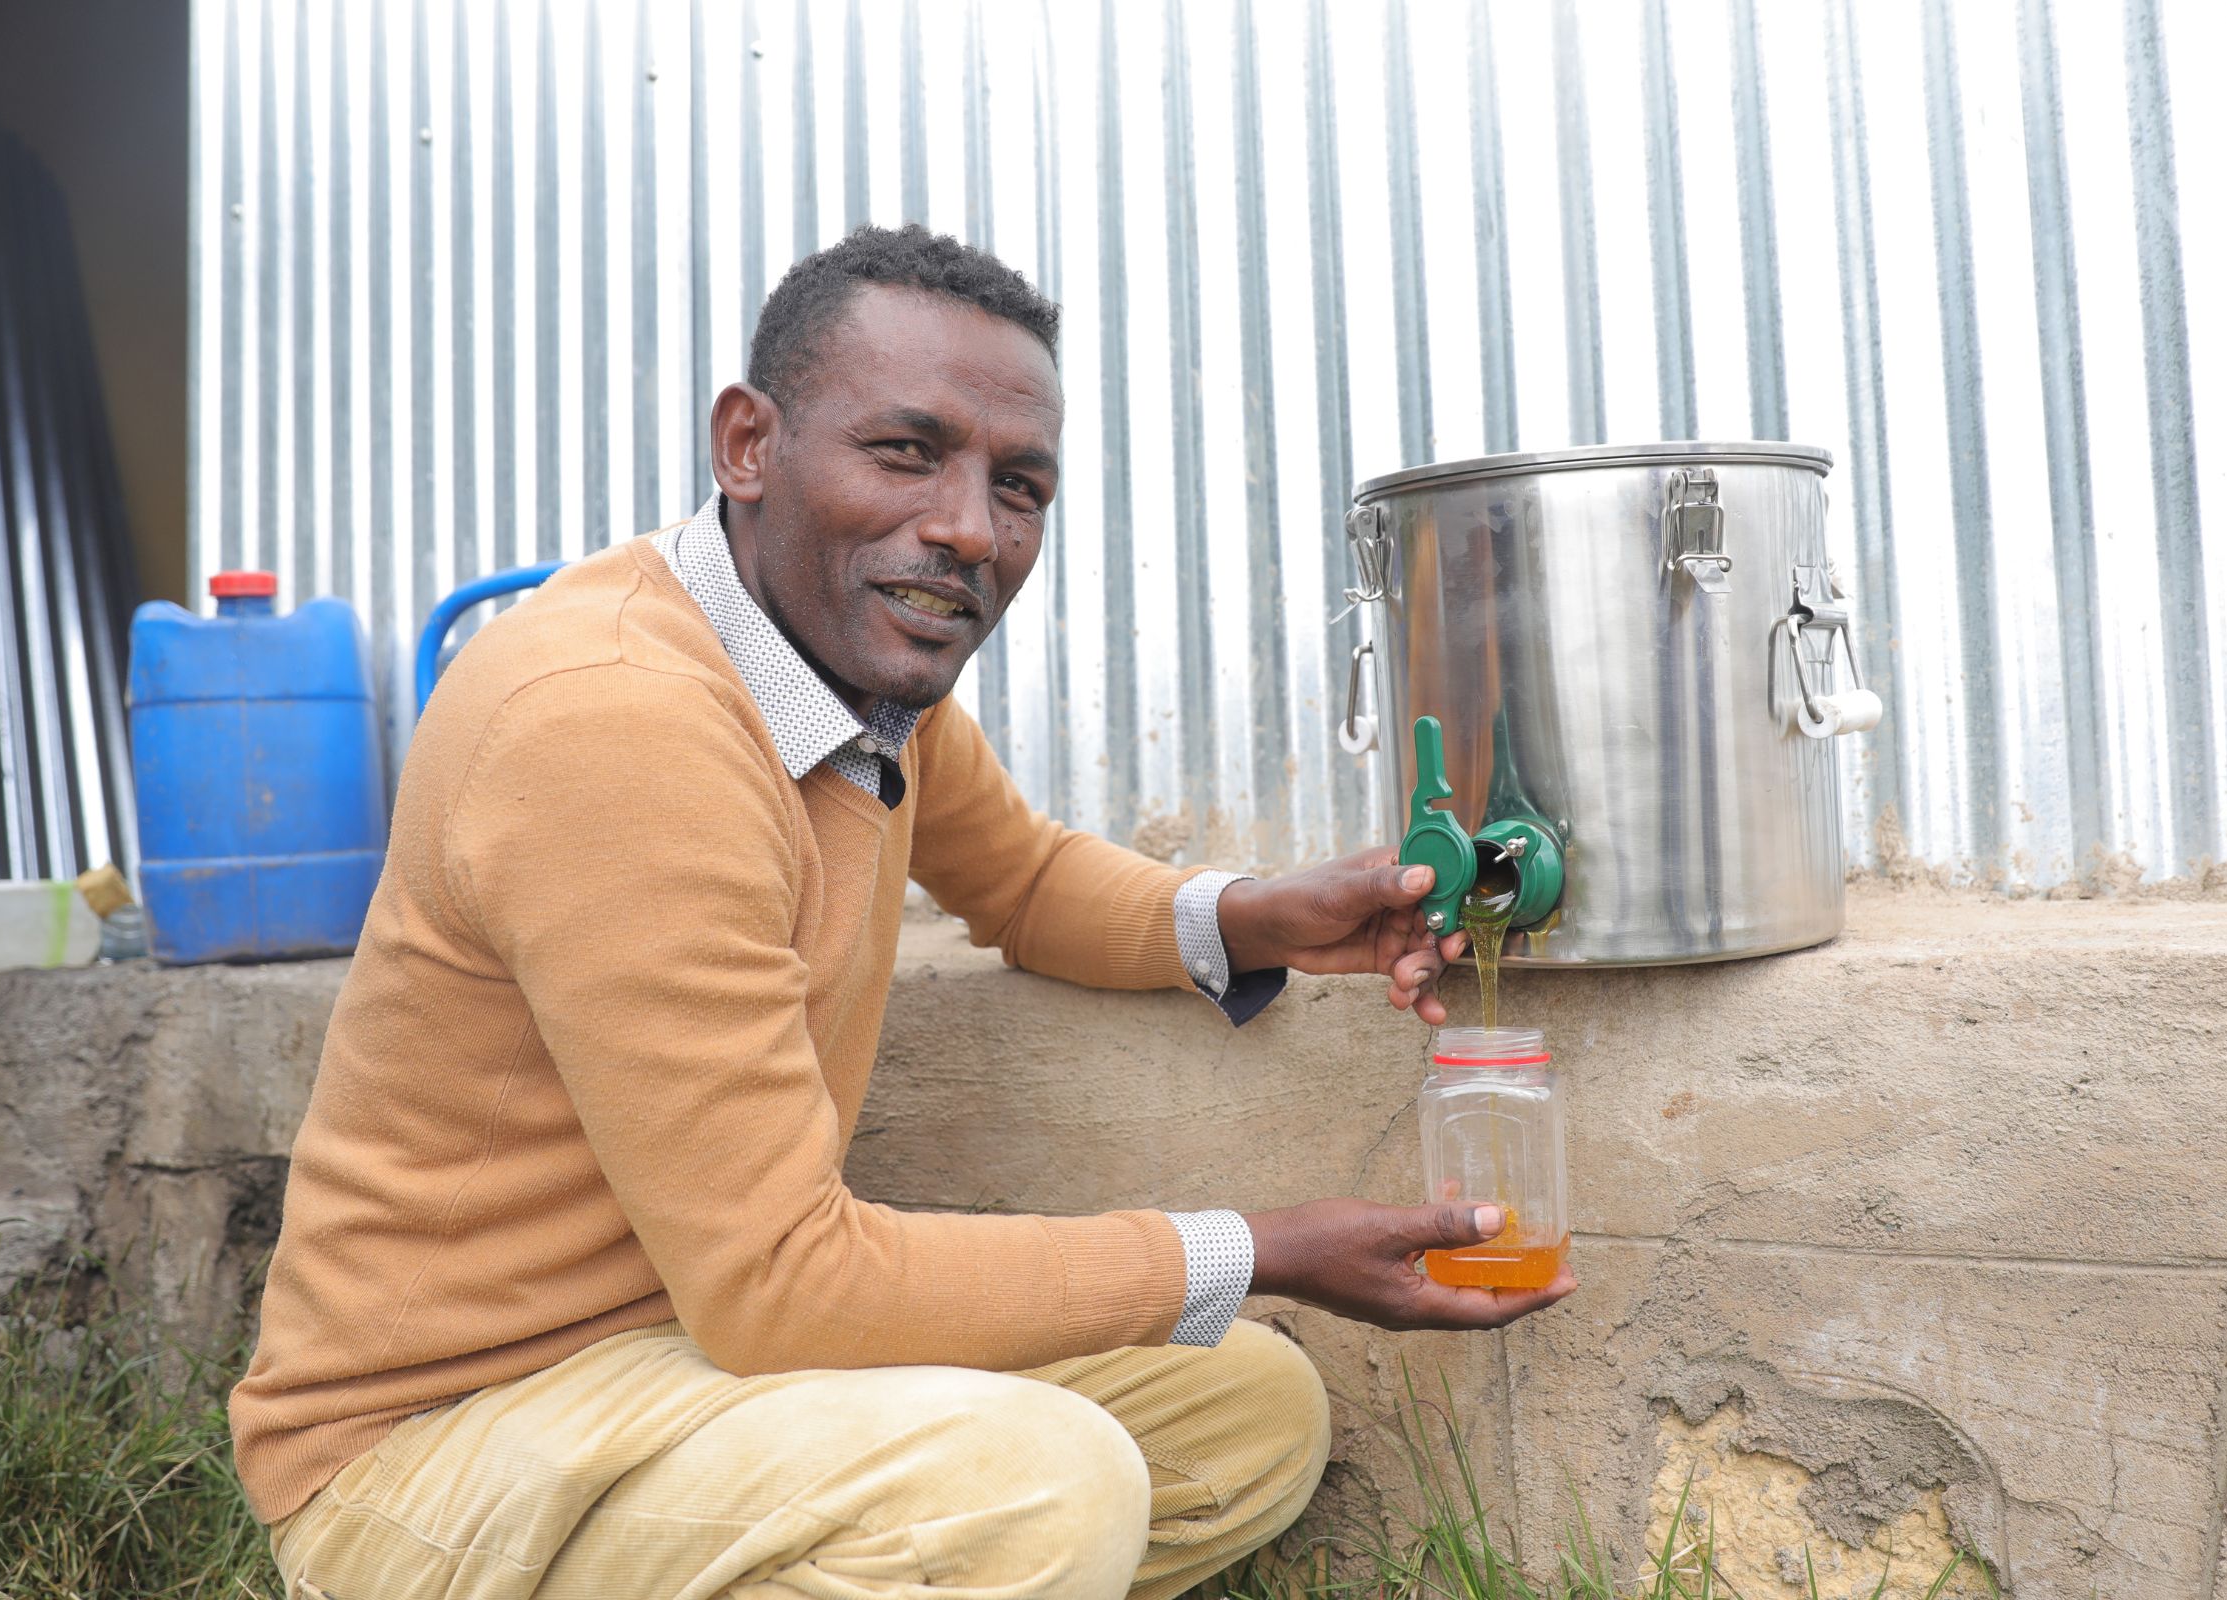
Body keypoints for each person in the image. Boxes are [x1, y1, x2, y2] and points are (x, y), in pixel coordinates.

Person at [231, 223, 1575, 1600]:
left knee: (1239, 1412)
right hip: (441, 1449)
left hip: (681, 1361)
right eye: (906, 452)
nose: (968, 530)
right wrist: (1262, 1247)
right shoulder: (613, 722)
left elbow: (1026, 882)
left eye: (1021, 486)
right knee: (1043, 1488)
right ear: (748, 445)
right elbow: (787, 1290)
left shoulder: (852, 677)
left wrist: (1263, 916)